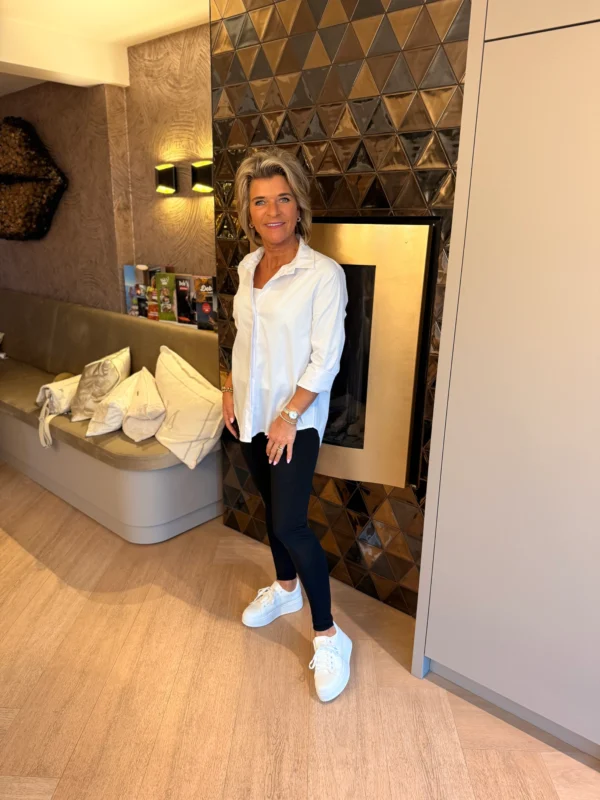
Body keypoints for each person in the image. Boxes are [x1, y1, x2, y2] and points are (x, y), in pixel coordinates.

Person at [222, 147, 351, 702]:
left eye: (282, 199)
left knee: (292, 524)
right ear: (247, 211)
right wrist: (229, 389)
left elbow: (326, 359)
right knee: (272, 511)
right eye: (260, 202)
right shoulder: (248, 267)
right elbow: (244, 341)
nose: (272, 211)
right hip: (251, 414)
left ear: (299, 206)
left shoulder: (322, 275)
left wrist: (288, 416)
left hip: (293, 421)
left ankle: (329, 636)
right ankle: (285, 587)